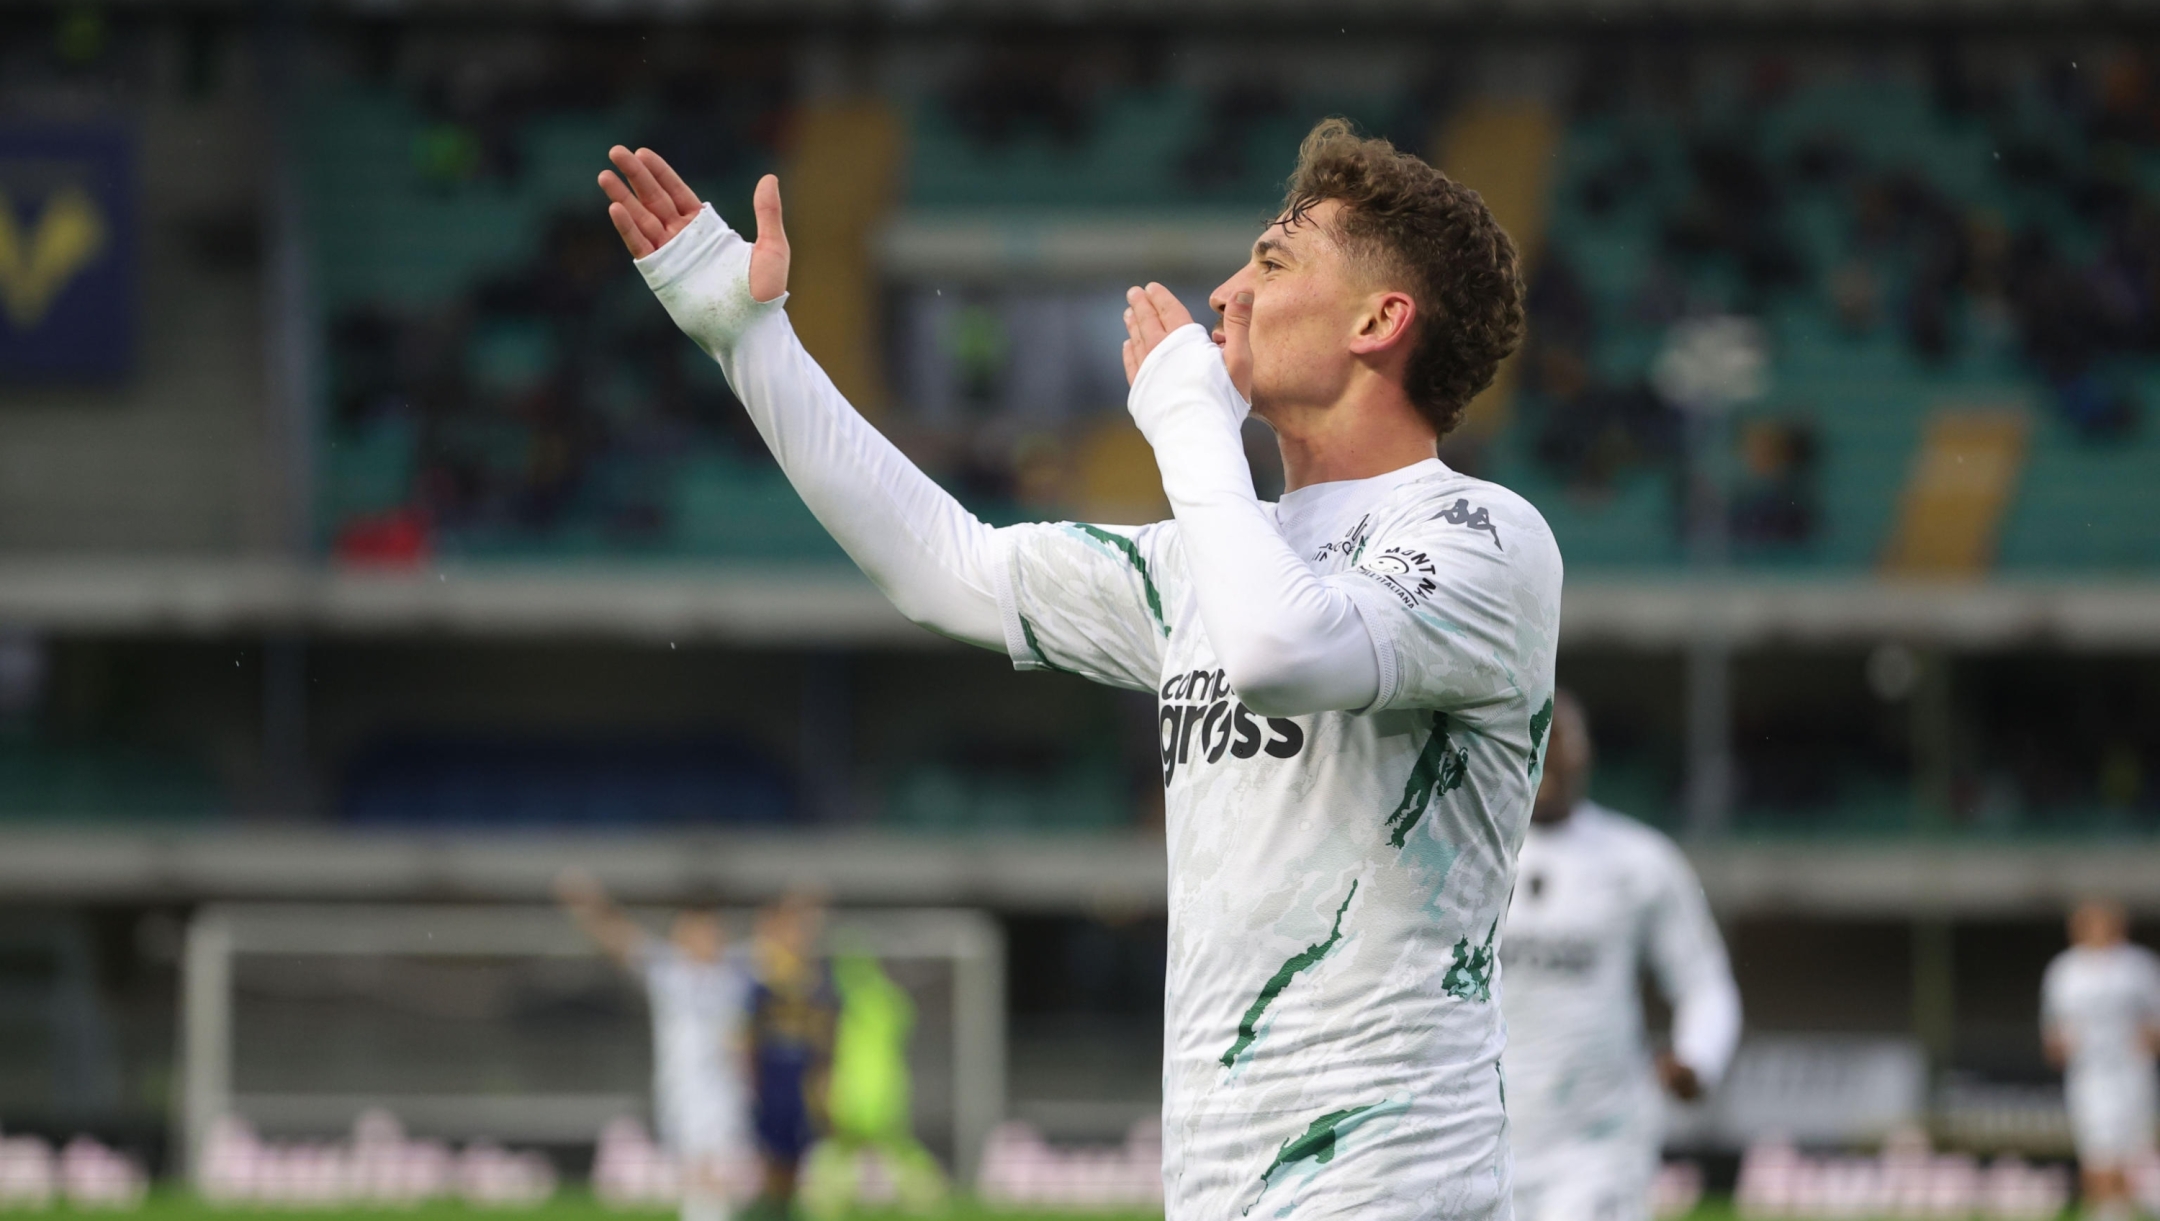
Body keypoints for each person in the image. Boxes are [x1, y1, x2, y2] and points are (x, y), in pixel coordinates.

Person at [598, 114, 1558, 1218]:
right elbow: (946, 567)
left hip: (1395, 1186)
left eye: (1274, 260)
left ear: (1381, 321)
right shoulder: (1206, 560)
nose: (1227, 293)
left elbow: (1283, 652)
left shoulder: (1485, 540)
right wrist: (749, 342)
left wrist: (1189, 424)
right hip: (1214, 1186)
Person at [1498, 689, 1742, 1221]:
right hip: (1481, 1139)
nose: (1548, 753)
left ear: (1587, 753)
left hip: (1599, 1146)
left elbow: (1704, 982)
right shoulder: (1466, 857)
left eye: (1562, 737)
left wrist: (1699, 1057)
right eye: (1535, 738)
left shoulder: (1641, 860)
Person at [557, 869, 752, 1221]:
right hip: (682, 1089)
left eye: (710, 930)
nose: (705, 937)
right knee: (697, 1171)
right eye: (695, 930)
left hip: (726, 1089)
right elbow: (620, 940)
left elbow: (778, 942)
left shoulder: (734, 973)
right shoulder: (669, 971)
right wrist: (588, 905)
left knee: (718, 1171)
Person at [799, 948, 949, 1217]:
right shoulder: (892, 1001)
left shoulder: (851, 1000)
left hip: (858, 1100)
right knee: (892, 1160)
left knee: (839, 1163)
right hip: (880, 1100)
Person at [2043, 899, 2160, 1221]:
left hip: (2132, 1074)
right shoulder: (2065, 970)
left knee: (2134, 1153)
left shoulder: (2139, 966)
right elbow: (2053, 1030)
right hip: (2090, 1076)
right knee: (2097, 1153)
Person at [745, 890, 836, 1221]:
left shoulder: (815, 981)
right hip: (774, 1082)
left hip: (802, 1081)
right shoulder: (763, 978)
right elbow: (750, 1038)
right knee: (775, 1159)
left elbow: (824, 1037)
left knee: (797, 1158)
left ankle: (780, 1210)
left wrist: (825, 1080)